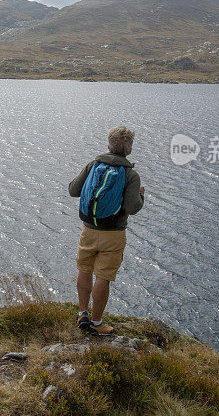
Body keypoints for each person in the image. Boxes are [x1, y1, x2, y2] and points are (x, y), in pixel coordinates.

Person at [69, 126, 145, 335]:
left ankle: (82, 314)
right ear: (129, 150)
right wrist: (141, 196)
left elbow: (73, 190)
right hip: (114, 234)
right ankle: (96, 322)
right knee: (103, 276)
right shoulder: (131, 175)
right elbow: (132, 208)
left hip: (88, 230)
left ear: (108, 145)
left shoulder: (94, 165)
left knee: (84, 269)